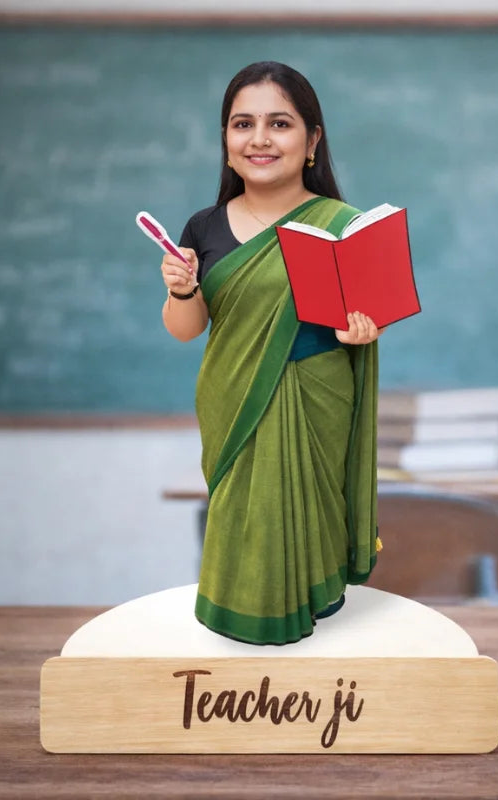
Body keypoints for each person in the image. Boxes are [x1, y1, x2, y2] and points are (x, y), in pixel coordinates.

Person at [159, 61, 381, 645]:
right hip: (233, 400)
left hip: (317, 399)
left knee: (310, 515)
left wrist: (361, 331)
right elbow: (186, 329)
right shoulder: (204, 226)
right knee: (246, 520)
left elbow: (365, 316)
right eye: (243, 124)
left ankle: (316, 623)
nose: (259, 139)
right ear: (226, 141)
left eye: (279, 123)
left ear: (312, 140)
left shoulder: (342, 224)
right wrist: (181, 290)